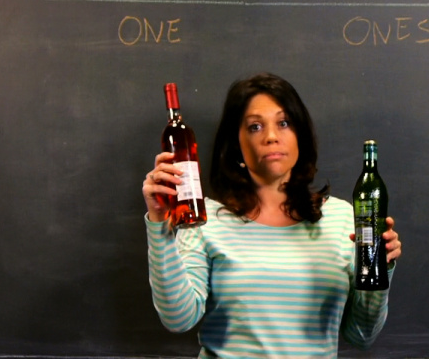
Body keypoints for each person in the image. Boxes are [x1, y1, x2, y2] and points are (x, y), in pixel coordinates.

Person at [142, 73, 401, 358]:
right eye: (255, 126)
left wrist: (381, 267)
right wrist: (159, 223)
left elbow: (361, 335)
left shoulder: (343, 220)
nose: (271, 137)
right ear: (236, 144)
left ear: (300, 135)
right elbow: (178, 319)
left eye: (284, 123)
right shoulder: (206, 221)